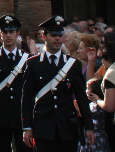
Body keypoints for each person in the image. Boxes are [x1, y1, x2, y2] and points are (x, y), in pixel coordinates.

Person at [21, 16, 94, 152]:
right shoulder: (33, 63)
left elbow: (81, 97)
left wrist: (88, 126)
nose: (57, 39)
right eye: (53, 35)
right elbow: (27, 97)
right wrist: (27, 127)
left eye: (60, 35)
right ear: (44, 37)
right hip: (43, 126)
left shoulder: (72, 64)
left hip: (67, 125)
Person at [0, 15, 31, 152]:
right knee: (1, 148)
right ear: (0, 35)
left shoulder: (27, 58)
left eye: (12, 32)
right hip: (0, 113)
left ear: (17, 33)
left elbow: (31, 90)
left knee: (25, 149)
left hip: (21, 113)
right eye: (5, 32)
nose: (8, 35)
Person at [82, 78, 109, 152]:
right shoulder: (92, 104)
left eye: (88, 88)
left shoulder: (96, 106)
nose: (86, 91)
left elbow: (94, 121)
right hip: (95, 136)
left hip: (95, 137)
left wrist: (80, 113)